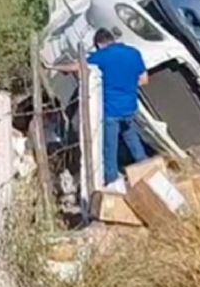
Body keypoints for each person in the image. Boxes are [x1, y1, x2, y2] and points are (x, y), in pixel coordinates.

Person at [48, 28, 150, 185]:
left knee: (110, 149)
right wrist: (126, 84)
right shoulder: (134, 53)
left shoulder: (103, 56)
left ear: (99, 44)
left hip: (111, 111)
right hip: (130, 108)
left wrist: (53, 67)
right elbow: (144, 80)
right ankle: (148, 171)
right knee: (132, 139)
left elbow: (77, 67)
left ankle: (112, 182)